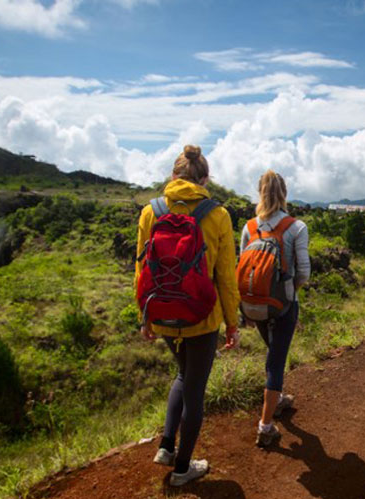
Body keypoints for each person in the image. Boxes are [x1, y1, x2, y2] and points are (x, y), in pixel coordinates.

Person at [135, 145, 240, 486]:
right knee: (195, 388)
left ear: (173, 176)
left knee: (182, 374)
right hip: (202, 318)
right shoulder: (218, 215)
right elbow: (226, 276)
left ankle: (166, 446)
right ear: (205, 179)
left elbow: (140, 271)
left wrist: (145, 317)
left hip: (163, 313)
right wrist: (232, 323)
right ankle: (182, 469)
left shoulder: (150, 212)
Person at [239, 170, 310, 447]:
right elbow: (303, 271)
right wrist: (290, 293)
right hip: (283, 305)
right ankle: (266, 425)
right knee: (276, 361)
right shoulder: (296, 227)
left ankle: (277, 398)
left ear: (260, 192)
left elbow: (241, 267)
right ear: (284, 193)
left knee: (272, 352)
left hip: (254, 304)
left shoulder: (249, 227)